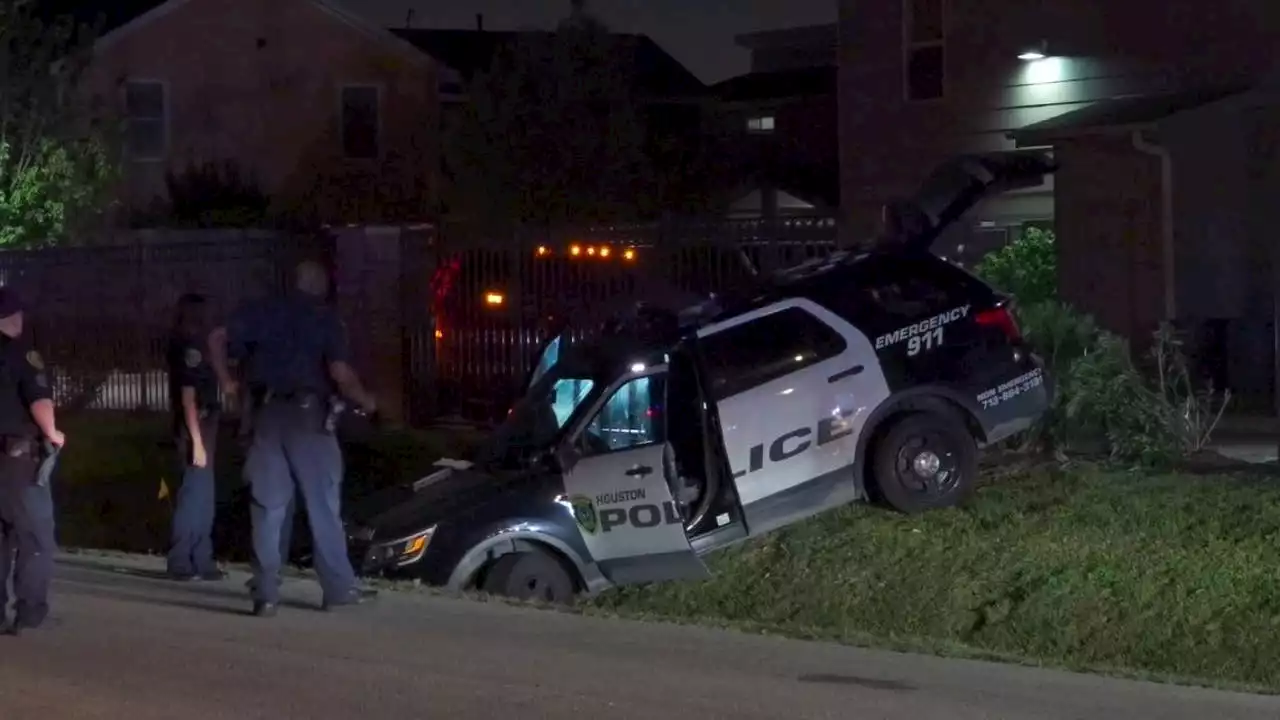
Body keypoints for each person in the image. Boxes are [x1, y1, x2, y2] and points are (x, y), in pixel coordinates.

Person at [208, 260, 377, 617]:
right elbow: (340, 372)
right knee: (323, 506)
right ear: (320, 285)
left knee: (269, 507)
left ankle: (266, 592)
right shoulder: (325, 317)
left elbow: (217, 337)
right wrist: (367, 402)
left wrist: (226, 381)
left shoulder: (263, 311)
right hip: (308, 419)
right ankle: (338, 589)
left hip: (266, 417)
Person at [0, 288, 66, 635]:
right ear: (13, 317)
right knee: (35, 537)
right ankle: (29, 611)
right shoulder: (23, 354)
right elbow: (39, 400)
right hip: (17, 459)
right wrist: (53, 433)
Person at [164, 293, 227, 582]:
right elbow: (188, 398)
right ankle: (181, 560)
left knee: (203, 495)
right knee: (193, 496)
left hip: (204, 424)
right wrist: (197, 442)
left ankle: (201, 558)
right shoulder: (190, 347)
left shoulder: (197, 345)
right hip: (196, 426)